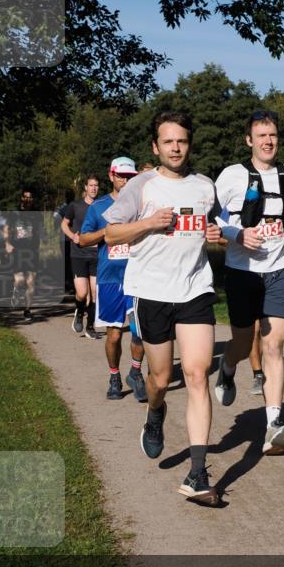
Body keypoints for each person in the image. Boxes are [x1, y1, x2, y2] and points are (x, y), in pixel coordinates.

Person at [103, 111, 222, 504]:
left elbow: (214, 225)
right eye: (168, 141)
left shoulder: (205, 186)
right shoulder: (142, 185)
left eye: (182, 141)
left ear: (190, 145)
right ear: (156, 147)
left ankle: (198, 473)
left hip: (195, 289)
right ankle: (155, 414)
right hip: (152, 292)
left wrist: (217, 233)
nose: (175, 147)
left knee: (197, 374)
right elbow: (111, 232)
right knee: (158, 379)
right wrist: (149, 223)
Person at [214, 109, 284, 454]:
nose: (268, 141)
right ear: (249, 140)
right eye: (262, 136)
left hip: (280, 268)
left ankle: (273, 425)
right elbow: (214, 217)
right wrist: (237, 234)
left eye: (273, 136)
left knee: (273, 346)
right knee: (241, 340)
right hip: (242, 271)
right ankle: (227, 364)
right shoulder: (232, 176)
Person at [79, 157, 146, 401]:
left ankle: (136, 372)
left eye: (130, 177)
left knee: (139, 331)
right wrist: (107, 233)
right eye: (121, 176)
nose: (125, 181)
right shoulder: (98, 207)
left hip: (138, 276)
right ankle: (114, 375)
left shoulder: (142, 204)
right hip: (110, 278)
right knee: (115, 335)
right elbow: (83, 239)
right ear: (111, 175)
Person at [62, 175, 100, 339]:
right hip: (78, 254)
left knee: (95, 292)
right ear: (85, 187)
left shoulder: (102, 206)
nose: (94, 188)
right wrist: (72, 236)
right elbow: (64, 224)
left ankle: (90, 326)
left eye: (96, 185)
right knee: (82, 293)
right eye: (91, 185)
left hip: (96, 254)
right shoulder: (75, 205)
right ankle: (79, 312)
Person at [3, 189, 43, 323]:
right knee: (20, 281)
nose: (28, 200)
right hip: (18, 250)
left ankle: (27, 310)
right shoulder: (14, 213)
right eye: (26, 197)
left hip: (32, 251)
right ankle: (16, 290)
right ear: (21, 198)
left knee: (31, 282)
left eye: (30, 197)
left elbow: (40, 230)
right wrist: (7, 243)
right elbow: (6, 229)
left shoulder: (37, 214)